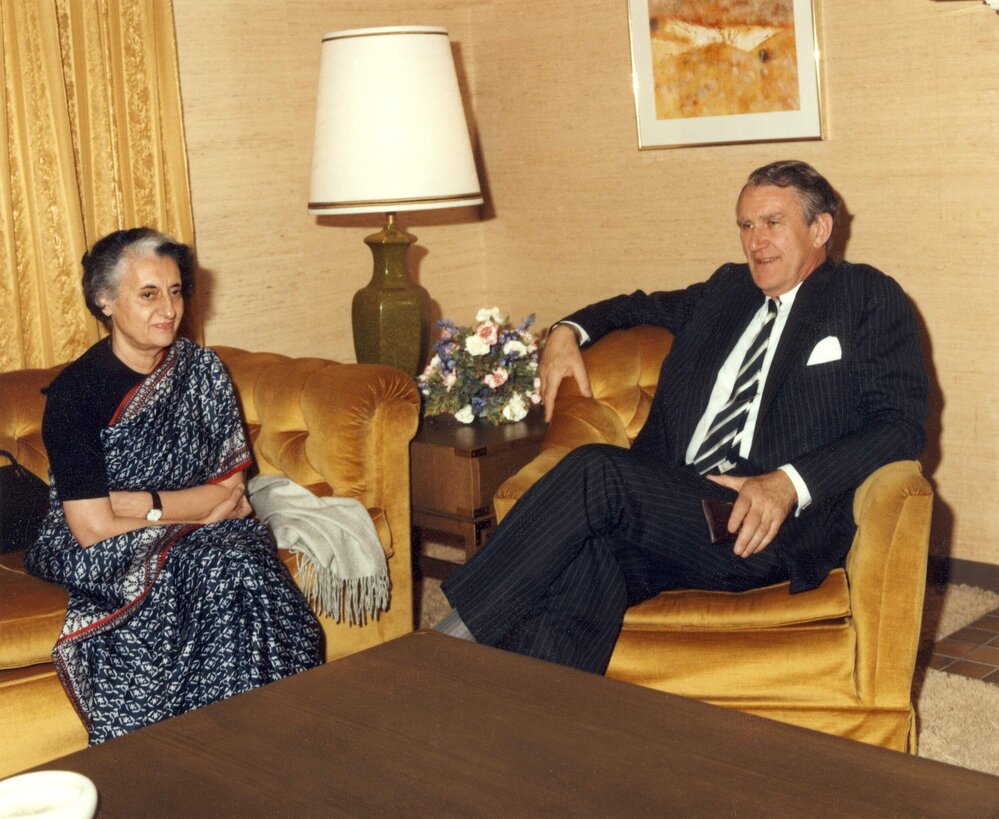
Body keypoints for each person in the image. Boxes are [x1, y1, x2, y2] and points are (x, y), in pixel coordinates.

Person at [435, 160, 929, 675]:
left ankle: (440, 647)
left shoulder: (866, 297)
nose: (755, 240)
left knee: (597, 470)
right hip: (672, 501)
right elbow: (634, 307)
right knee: (587, 560)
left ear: (820, 228)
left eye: (773, 222)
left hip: (762, 524)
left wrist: (787, 484)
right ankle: (534, 731)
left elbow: (899, 424)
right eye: (745, 224)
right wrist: (565, 331)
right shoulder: (727, 292)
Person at [26, 228, 321, 744]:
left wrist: (147, 503)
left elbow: (232, 494)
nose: (168, 308)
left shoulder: (202, 371)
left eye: (175, 290)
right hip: (95, 545)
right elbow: (93, 527)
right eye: (148, 294)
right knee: (220, 560)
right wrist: (198, 509)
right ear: (105, 301)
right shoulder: (76, 394)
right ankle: (221, 740)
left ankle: (265, 733)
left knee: (237, 557)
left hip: (168, 524)